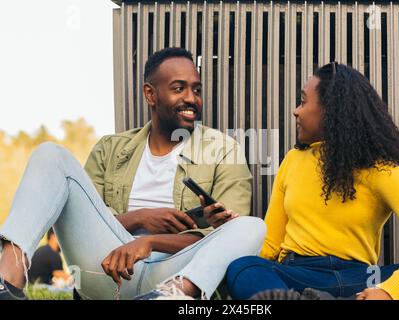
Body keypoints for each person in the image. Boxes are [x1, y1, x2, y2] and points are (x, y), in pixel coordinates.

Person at [0, 47, 266, 300]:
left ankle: (168, 297)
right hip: (106, 265)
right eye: (178, 88)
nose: (191, 98)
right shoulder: (110, 148)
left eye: (196, 90)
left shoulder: (223, 150)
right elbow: (81, 223)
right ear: (150, 94)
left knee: (251, 226)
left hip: (175, 272)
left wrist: (150, 242)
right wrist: (140, 219)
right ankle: (8, 282)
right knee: (50, 154)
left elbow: (225, 241)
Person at [226, 62, 399, 300]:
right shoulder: (293, 160)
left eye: (303, 101)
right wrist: (231, 235)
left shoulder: (384, 170)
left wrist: (387, 291)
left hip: (364, 280)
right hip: (299, 275)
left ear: (330, 110)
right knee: (244, 267)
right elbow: (270, 245)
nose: (296, 111)